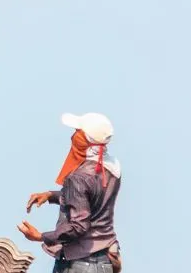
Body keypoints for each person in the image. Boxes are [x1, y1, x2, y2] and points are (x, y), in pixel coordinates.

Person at [19, 112, 123, 273]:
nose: (72, 137)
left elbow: (78, 226)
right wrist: (50, 196)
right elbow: (88, 200)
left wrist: (40, 236)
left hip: (80, 264)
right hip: (103, 261)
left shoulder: (79, 178)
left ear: (83, 140)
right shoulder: (111, 167)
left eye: (77, 132)